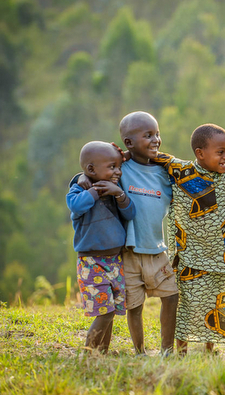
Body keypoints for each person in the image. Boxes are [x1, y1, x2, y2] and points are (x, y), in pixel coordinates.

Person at [76, 111, 179, 356]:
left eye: (157, 134)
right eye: (148, 135)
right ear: (129, 143)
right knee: (135, 305)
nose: (156, 140)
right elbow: (94, 168)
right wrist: (82, 176)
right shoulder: (121, 168)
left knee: (172, 296)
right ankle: (140, 351)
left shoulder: (166, 172)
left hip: (157, 249)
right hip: (129, 252)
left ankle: (167, 350)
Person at [152, 124, 225, 355]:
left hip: (224, 255)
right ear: (200, 153)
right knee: (188, 304)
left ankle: (208, 348)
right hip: (191, 256)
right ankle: (181, 349)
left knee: (218, 302)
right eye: (220, 152)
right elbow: (154, 156)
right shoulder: (181, 172)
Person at [66, 141, 136, 353]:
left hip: (114, 260)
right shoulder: (80, 190)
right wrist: (95, 190)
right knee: (103, 311)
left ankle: (101, 353)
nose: (117, 172)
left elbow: (130, 213)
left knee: (110, 309)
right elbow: (76, 206)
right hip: (92, 262)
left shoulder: (114, 190)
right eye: (112, 167)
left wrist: (118, 194)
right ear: (90, 170)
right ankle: (89, 353)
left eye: (118, 167)